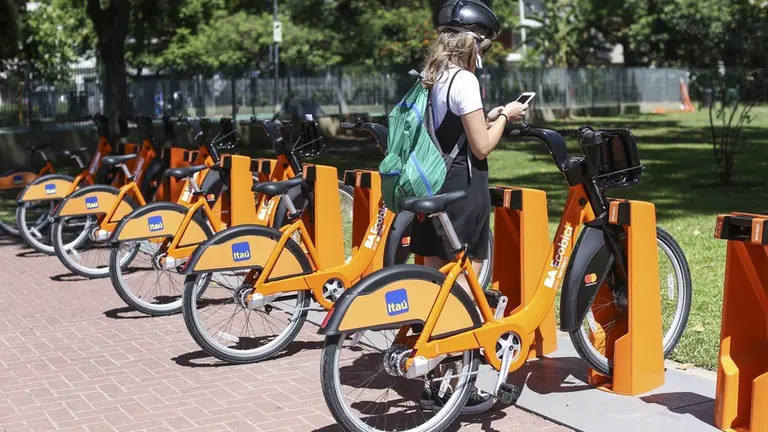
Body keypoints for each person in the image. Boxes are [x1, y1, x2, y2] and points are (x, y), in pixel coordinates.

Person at [410, 0, 528, 416]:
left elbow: (451, 129)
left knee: (434, 289)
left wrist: (488, 115)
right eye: (486, 45)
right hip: (462, 188)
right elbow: (481, 146)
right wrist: (507, 116)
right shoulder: (464, 80)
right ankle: (458, 386)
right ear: (473, 42)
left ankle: (433, 383)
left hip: (432, 183)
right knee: (463, 290)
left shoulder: (433, 76)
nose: (485, 53)